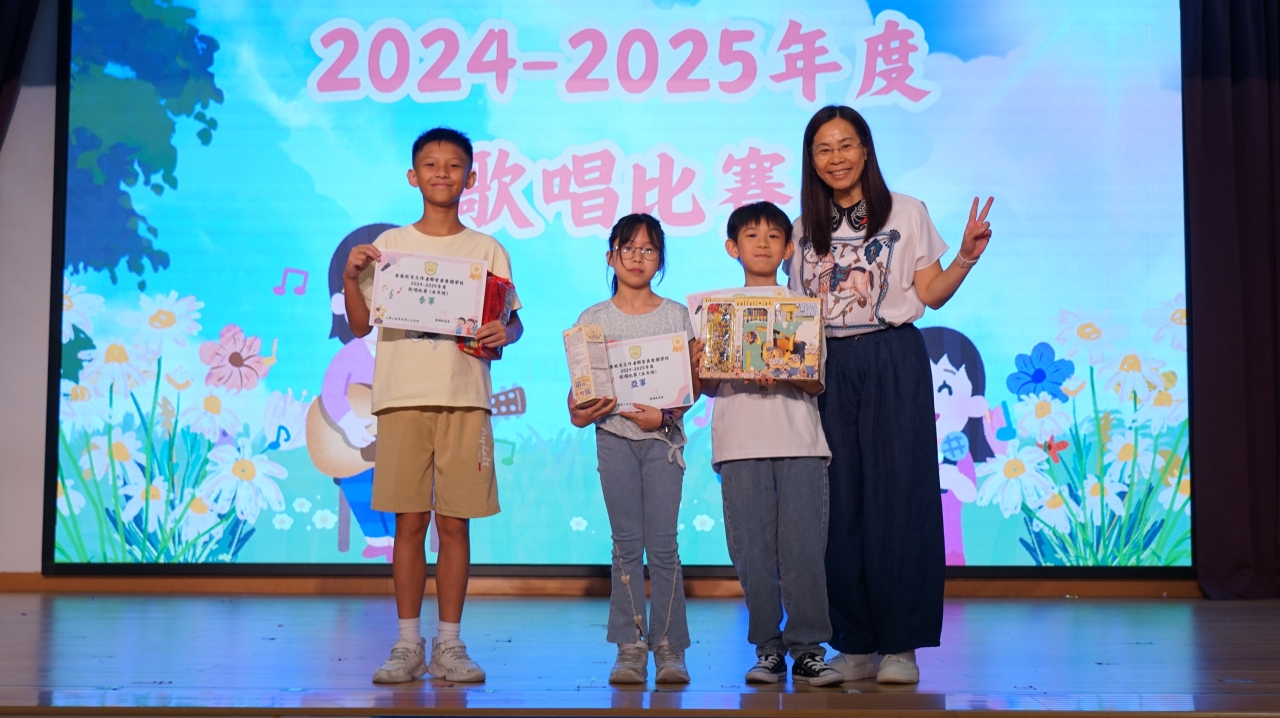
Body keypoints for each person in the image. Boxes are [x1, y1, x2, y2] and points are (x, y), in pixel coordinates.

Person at [787, 105, 993, 684]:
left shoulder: (906, 211)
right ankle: (853, 642)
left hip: (892, 357)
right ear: (811, 159)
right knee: (836, 504)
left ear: (866, 149)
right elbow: (796, 313)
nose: (836, 158)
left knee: (900, 497)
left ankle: (900, 645)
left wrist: (965, 257)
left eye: (846, 144)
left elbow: (931, 293)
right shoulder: (802, 227)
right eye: (824, 148)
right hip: (828, 364)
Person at [343, 127, 524, 684]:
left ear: (471, 178)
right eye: (430, 163)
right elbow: (359, 324)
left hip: (465, 399)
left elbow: (512, 322)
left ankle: (449, 643)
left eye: (453, 165)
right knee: (408, 522)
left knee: (454, 524)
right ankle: (406, 643)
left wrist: (505, 331)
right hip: (401, 398)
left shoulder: (487, 249)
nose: (442, 172)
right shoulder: (390, 246)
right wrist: (352, 275)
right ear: (412, 175)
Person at [696, 201, 842, 686]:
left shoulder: (802, 307)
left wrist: (781, 368)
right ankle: (767, 649)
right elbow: (706, 386)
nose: (763, 243)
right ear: (732, 247)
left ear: (788, 249)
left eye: (774, 236)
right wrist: (702, 361)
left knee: (804, 551)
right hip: (739, 444)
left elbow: (815, 382)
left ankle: (809, 650)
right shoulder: (715, 309)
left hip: (800, 442)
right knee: (752, 554)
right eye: (752, 235)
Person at [566, 214, 699, 685]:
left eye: (648, 249)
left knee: (663, 545)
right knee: (625, 545)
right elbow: (578, 396)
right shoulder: (593, 319)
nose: (638, 257)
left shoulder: (677, 315)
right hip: (614, 439)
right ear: (611, 257)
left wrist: (663, 417)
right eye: (628, 248)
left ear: (660, 260)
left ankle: (669, 648)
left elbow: (691, 386)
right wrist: (580, 411)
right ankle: (629, 647)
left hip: (663, 441)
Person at [315, 223, 397, 562]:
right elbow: (333, 392)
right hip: (358, 448)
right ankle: (377, 538)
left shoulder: (410, 350)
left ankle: (398, 540)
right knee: (357, 479)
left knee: (401, 482)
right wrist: (350, 424)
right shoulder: (351, 355)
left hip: (402, 447)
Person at [922, 326, 996, 566]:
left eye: (945, 388)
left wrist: (953, 479)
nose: (933, 400)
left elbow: (970, 492)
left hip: (949, 548)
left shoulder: (958, 453)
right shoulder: (904, 453)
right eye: (921, 386)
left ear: (975, 405)